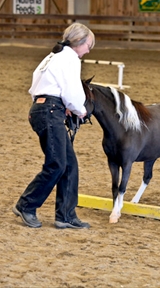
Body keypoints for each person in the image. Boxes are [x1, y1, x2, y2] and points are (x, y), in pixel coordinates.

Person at [12, 23, 95, 229]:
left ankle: (65, 215)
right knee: (57, 164)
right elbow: (72, 91)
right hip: (50, 112)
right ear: (80, 42)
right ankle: (26, 205)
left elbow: (38, 85)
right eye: (89, 46)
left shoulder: (52, 56)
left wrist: (60, 104)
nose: (88, 51)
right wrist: (80, 111)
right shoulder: (70, 59)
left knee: (68, 164)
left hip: (42, 109)